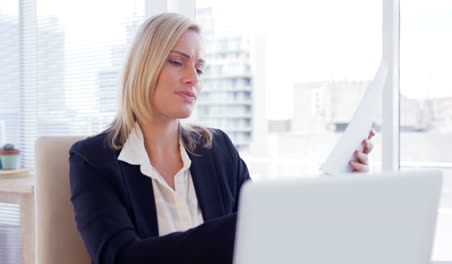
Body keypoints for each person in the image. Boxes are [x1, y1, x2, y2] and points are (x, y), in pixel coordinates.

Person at [69, 13, 374, 264]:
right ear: (143, 66)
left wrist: (334, 194)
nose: (193, 77)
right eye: (177, 61)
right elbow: (121, 258)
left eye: (200, 68)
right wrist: (253, 222)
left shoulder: (217, 150)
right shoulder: (93, 160)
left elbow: (266, 241)